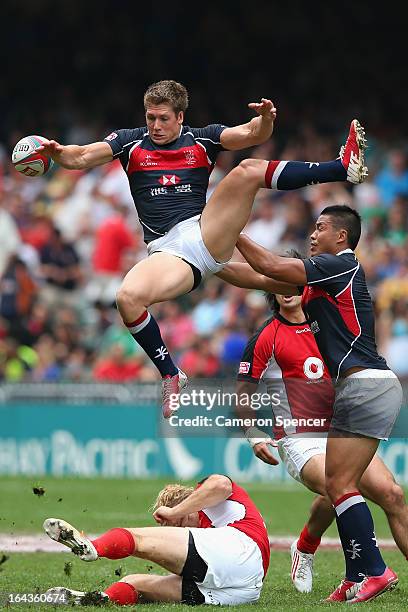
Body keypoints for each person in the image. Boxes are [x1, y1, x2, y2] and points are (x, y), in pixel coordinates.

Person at [38, 79, 367, 417]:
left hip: (205, 229)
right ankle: (170, 373)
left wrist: (266, 119)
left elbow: (251, 135)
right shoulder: (130, 141)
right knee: (127, 298)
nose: (155, 125)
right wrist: (56, 153)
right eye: (151, 117)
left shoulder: (202, 138)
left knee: (248, 170)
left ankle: (341, 168)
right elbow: (80, 157)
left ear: (180, 117)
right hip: (169, 252)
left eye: (163, 118)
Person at [234, 204, 403, 603]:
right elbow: (243, 390)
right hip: (299, 435)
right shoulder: (271, 333)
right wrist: (203, 261)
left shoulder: (323, 295)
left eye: (320, 227)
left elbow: (273, 266)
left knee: (369, 491)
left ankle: (359, 570)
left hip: (347, 411)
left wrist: (232, 234)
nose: (313, 234)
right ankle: (356, 570)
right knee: (344, 488)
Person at [43, 474, 270, 606]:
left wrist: (173, 512)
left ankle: (94, 547)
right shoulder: (215, 539)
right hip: (243, 589)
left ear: (191, 500)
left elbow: (221, 484)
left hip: (240, 552)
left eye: (182, 522)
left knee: (137, 538)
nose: (182, 528)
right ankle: (100, 599)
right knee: (136, 583)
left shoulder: (209, 491)